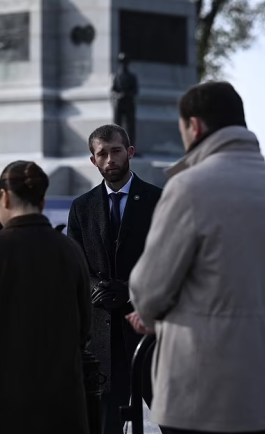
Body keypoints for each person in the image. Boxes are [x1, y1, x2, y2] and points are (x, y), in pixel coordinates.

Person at [127, 81, 265, 434]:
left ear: (195, 126)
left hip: (199, 383)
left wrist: (148, 315)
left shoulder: (189, 187)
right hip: (259, 380)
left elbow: (149, 288)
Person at [0, 161, 91, 434]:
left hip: (1, 396)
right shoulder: (70, 249)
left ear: (3, 197)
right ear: (42, 201)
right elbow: (84, 327)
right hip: (62, 398)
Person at [67, 124, 162, 434]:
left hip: (149, 331)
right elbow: (76, 266)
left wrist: (131, 292)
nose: (110, 159)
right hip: (103, 335)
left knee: (173, 419)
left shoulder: (158, 200)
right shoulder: (82, 208)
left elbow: (167, 260)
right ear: (93, 160)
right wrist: (99, 290)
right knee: (108, 426)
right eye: (102, 154)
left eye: (116, 151)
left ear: (130, 152)